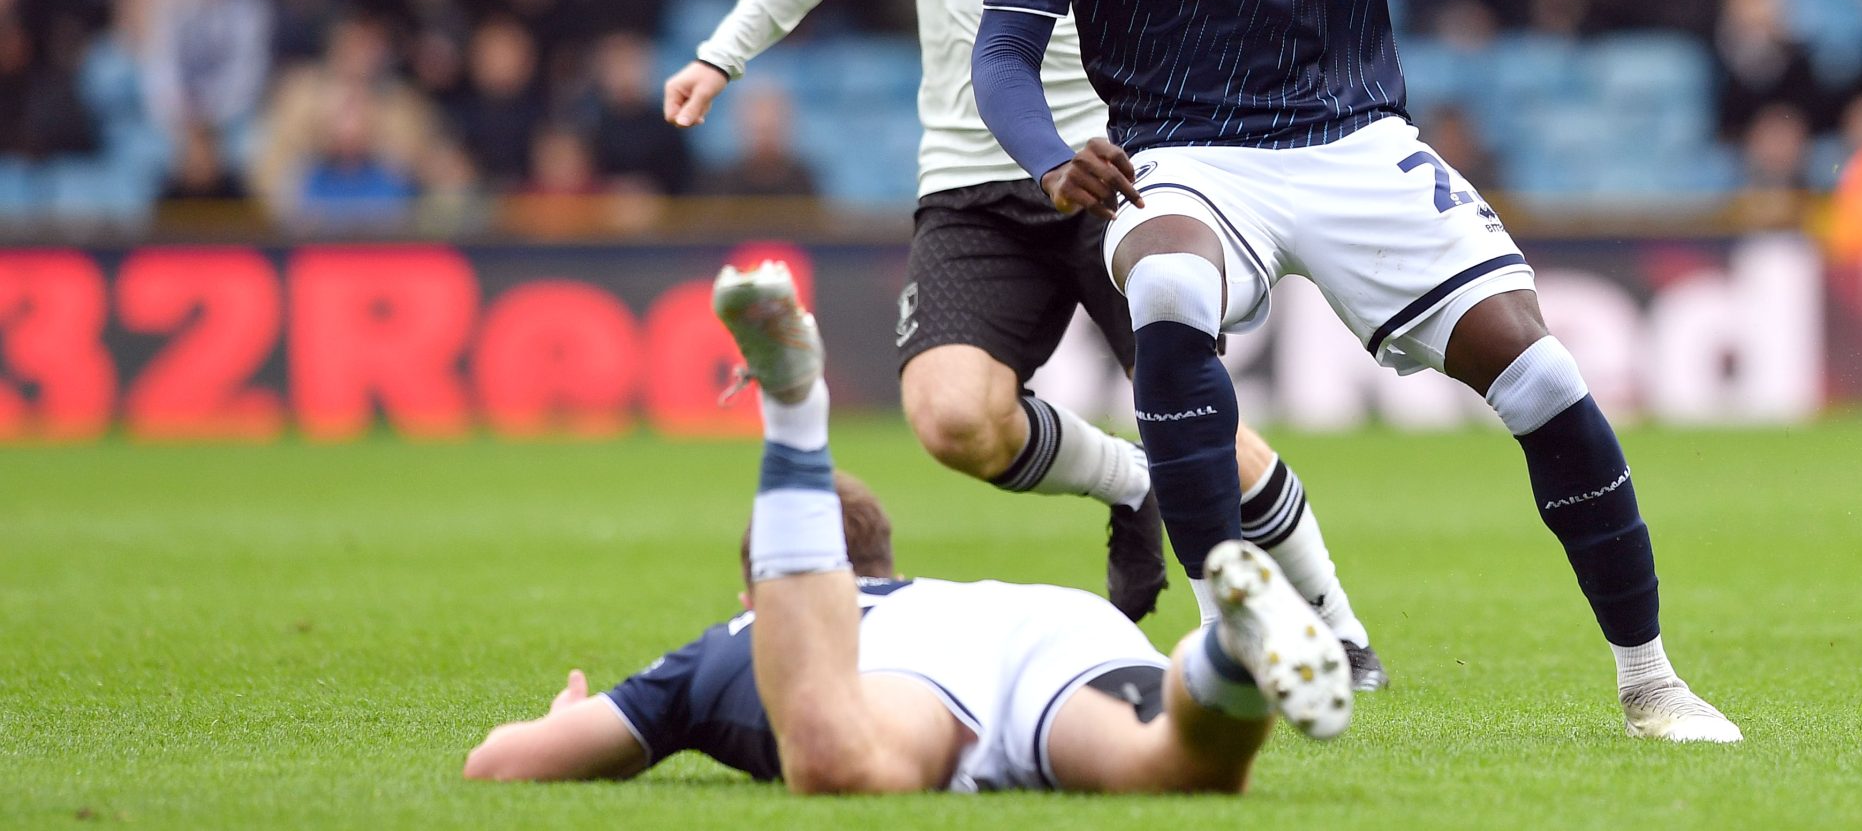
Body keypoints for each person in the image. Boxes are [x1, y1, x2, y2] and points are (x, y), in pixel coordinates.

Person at [971, 0, 1744, 742]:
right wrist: (1048, 154)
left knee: (1541, 371)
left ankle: (1651, 681)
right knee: (1167, 277)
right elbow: (1002, 53)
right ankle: (1235, 633)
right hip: (1188, 153)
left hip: (1352, 136)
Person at [661, 0, 1382, 687]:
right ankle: (1129, 484)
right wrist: (724, 51)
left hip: (1128, 165)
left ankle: (1337, 627)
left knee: (1211, 432)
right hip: (973, 175)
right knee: (951, 418)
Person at [462, 261, 1348, 792]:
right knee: (1176, 771)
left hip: (908, 677)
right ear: (883, 561)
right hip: (1060, 626)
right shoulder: (934, 593)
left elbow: (498, 767)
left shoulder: (731, 638)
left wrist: (558, 720)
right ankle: (1229, 652)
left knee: (843, 763)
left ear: (765, 590)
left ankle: (795, 417)